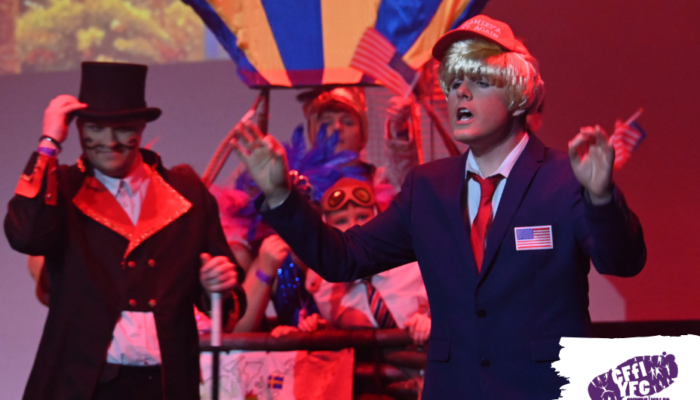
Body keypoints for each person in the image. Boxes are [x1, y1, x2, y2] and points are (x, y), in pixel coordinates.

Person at [229, 14, 647, 400]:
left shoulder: (564, 178)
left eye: (480, 81)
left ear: (519, 96)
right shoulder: (428, 188)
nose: (461, 92)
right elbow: (343, 259)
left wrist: (600, 196)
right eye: (454, 81)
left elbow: (622, 262)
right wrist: (280, 195)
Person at [4, 61, 243, 400]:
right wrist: (48, 143)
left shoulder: (186, 193)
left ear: (141, 127)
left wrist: (217, 283)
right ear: (79, 127)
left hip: (166, 386)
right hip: (84, 387)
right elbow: (24, 235)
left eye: (122, 129)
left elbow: (226, 292)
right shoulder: (64, 190)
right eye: (96, 128)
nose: (109, 141)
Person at [277, 178, 431, 345]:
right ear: (326, 227)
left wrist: (433, 321)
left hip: (425, 357)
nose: (354, 227)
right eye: (341, 221)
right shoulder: (322, 285)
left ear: (379, 217)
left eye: (362, 217)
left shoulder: (414, 263)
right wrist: (323, 330)